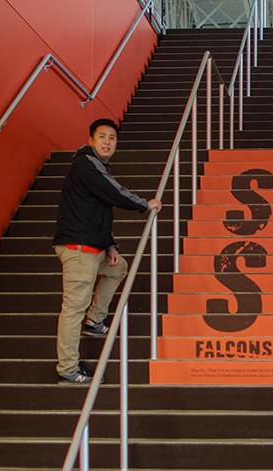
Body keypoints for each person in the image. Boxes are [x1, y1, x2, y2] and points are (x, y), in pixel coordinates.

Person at [53, 118, 162, 384]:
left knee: (119, 267)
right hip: (79, 248)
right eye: (102, 137)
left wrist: (110, 244)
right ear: (91, 140)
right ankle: (68, 369)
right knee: (73, 308)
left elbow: (98, 211)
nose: (107, 142)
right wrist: (144, 204)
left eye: (112, 138)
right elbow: (114, 192)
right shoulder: (86, 163)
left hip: (92, 245)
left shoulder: (94, 167)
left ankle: (95, 321)